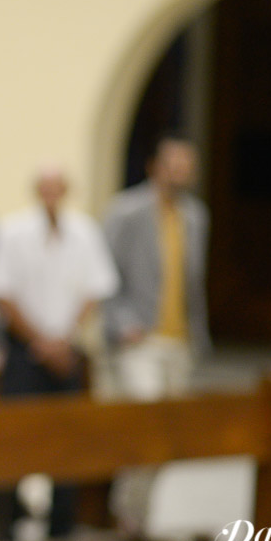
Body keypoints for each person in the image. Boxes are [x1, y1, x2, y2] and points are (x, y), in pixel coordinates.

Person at [0, 166, 118, 541]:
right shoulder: (11, 231)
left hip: (68, 354)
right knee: (14, 442)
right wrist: (41, 342)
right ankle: (7, 538)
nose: (50, 194)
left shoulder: (85, 231)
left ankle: (62, 538)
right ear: (35, 191)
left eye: (56, 187)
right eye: (43, 187)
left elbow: (97, 289)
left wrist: (64, 341)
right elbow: (2, 292)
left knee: (69, 445)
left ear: (66, 190)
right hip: (25, 355)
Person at [103, 135, 210, 399]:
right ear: (155, 167)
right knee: (147, 419)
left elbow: (193, 281)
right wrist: (122, 323)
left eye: (185, 168)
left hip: (180, 339)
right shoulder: (126, 212)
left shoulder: (195, 216)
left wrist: (198, 335)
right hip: (141, 336)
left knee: (174, 427)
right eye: (173, 167)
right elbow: (105, 272)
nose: (179, 174)